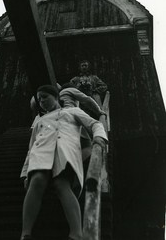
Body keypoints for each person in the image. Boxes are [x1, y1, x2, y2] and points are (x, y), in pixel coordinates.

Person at [20, 85, 108, 240]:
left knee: (62, 185)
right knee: (37, 180)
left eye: (45, 97)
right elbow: (30, 147)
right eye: (39, 99)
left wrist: (99, 137)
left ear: (56, 97)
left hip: (65, 152)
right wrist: (25, 172)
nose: (41, 101)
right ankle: (25, 232)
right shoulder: (40, 120)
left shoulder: (73, 111)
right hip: (41, 154)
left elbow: (95, 124)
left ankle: (76, 233)